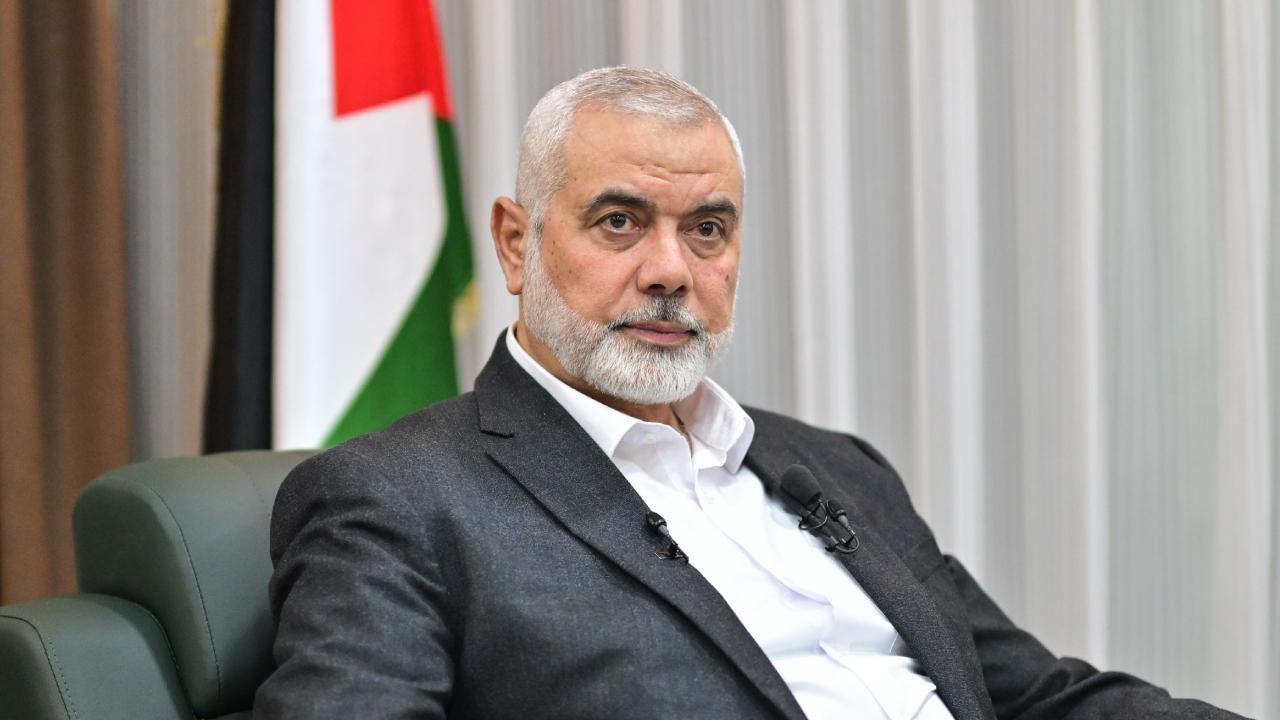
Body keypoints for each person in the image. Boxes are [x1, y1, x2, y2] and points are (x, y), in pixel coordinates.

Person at [254, 67, 1244, 720]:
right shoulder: (400, 497)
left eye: (707, 230)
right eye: (618, 222)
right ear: (517, 244)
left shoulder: (833, 466)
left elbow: (1032, 698)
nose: (669, 271)